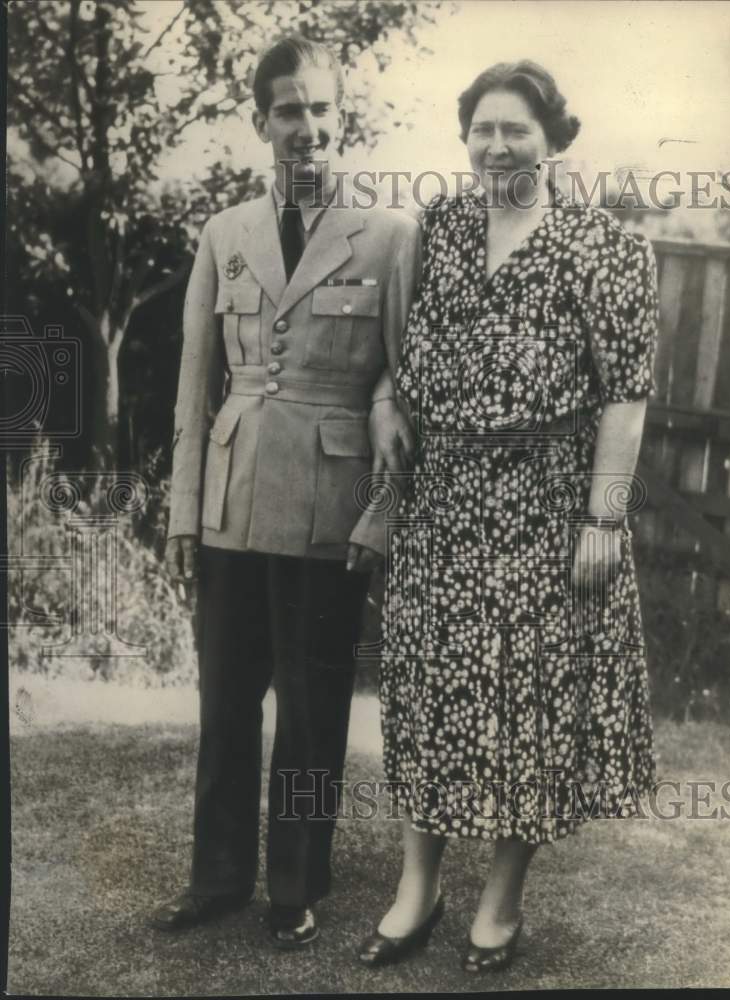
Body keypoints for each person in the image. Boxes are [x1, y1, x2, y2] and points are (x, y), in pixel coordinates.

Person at [358, 60, 659, 974]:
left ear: (553, 140)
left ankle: (500, 898)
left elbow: (626, 397)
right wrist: (383, 402)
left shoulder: (604, 248)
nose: (496, 147)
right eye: (481, 129)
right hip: (441, 502)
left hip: (545, 504)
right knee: (428, 688)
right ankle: (417, 888)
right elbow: (397, 346)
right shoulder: (441, 227)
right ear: (465, 139)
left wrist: (603, 519)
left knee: (525, 700)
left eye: (515, 130)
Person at [153, 35, 420, 948]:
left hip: (327, 505)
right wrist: (184, 510)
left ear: (340, 116)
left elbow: (404, 385)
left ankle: (296, 885)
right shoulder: (224, 233)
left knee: (311, 711)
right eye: (288, 111)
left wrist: (382, 514)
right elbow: (194, 385)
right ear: (260, 121)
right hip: (229, 499)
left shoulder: (389, 235)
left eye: (320, 109)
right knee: (225, 703)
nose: (306, 128)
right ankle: (217, 878)